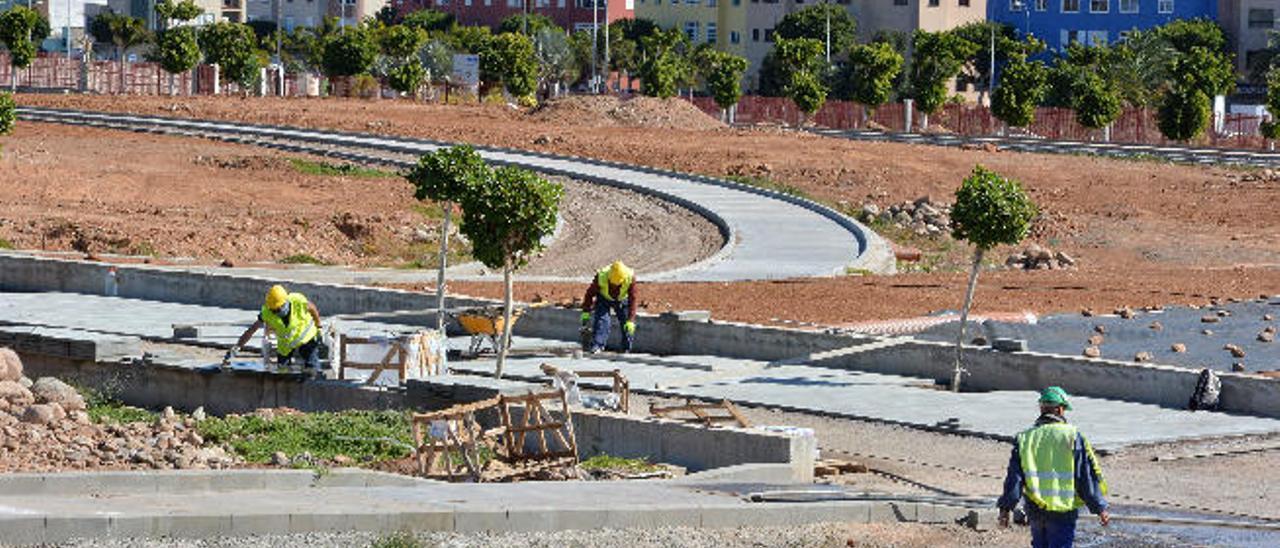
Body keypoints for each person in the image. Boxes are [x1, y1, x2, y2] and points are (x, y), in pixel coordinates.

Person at [998, 386, 1110, 548]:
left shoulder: (1025, 438)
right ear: (1059, 409)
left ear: (1042, 408)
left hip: (1035, 509)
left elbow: (1014, 479)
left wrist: (1005, 509)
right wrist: (1099, 507)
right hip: (1062, 513)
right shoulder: (1072, 436)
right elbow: (1084, 476)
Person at [224, 285, 324, 375]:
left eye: (278, 309)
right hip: (285, 346)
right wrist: (237, 347)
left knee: (312, 371)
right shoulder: (267, 312)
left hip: (307, 340)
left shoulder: (298, 301)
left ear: (286, 302)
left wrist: (319, 326)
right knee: (282, 373)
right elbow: (252, 330)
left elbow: (312, 308)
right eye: (273, 310)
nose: (275, 312)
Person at [581, 261, 638, 354]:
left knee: (626, 324)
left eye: (618, 284)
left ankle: (626, 348)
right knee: (602, 321)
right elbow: (589, 294)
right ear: (609, 278)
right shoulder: (601, 276)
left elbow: (633, 299)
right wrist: (586, 312)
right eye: (613, 284)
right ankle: (597, 346)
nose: (615, 286)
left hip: (622, 300)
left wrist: (631, 320)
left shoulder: (630, 277)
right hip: (604, 298)